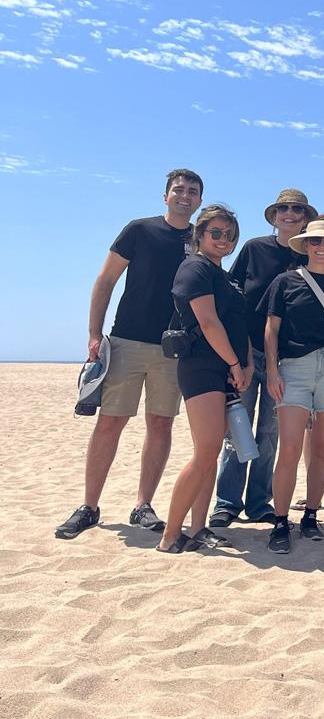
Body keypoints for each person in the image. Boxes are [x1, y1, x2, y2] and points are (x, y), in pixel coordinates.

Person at [55, 168, 204, 539]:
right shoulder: (139, 229)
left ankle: (143, 505)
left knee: (160, 425)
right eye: (178, 189)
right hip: (127, 341)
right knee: (110, 422)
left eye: (192, 191)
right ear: (165, 195)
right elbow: (106, 280)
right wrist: (94, 334)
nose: (184, 196)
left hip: (174, 349)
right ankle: (89, 506)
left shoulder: (202, 238)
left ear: (200, 200)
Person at [210, 189, 316, 529]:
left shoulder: (310, 255)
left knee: (269, 433)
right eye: (283, 208)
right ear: (274, 216)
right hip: (246, 353)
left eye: (296, 210)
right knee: (236, 429)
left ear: (305, 217)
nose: (289, 214)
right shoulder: (254, 248)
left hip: (287, 360)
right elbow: (230, 297)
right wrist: (233, 356)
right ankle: (227, 503)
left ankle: (259, 502)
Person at [157, 206, 252, 553]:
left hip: (226, 369)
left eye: (230, 235)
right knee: (205, 451)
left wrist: (246, 363)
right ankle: (171, 534)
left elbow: (237, 325)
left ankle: (198, 528)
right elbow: (209, 322)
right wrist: (234, 363)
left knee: (210, 452)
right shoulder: (194, 268)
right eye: (216, 233)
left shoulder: (222, 275)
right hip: (202, 367)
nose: (223, 240)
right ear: (199, 234)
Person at [264, 219, 324, 554]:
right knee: (289, 448)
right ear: (305, 245)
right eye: (316, 242)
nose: (322, 247)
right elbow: (271, 328)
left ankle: (311, 515)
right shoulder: (285, 281)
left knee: (323, 448)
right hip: (294, 368)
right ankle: (279, 521)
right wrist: (272, 371)